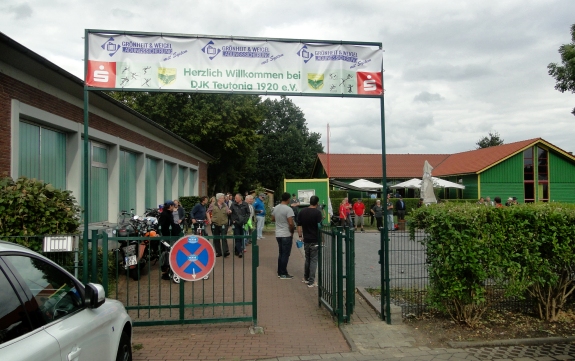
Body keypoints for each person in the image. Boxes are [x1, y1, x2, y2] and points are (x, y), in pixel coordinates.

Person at [297, 195, 323, 287]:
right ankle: (311, 281)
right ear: (317, 203)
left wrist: (300, 235)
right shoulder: (318, 213)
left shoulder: (302, 211)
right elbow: (320, 227)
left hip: (306, 238)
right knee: (313, 260)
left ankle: (306, 277)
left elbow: (299, 225)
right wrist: (322, 239)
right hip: (315, 239)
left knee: (307, 259)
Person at [272, 192, 295, 279]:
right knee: (286, 254)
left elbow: (273, 218)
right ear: (288, 199)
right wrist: (292, 231)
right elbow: (290, 223)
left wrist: (279, 221)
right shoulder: (288, 209)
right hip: (286, 233)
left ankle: (280, 271)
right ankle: (283, 273)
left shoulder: (276, 208)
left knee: (281, 253)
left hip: (278, 233)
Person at [207, 193, 230, 257]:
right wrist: (209, 220)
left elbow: (228, 211)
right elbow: (208, 212)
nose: (224, 199)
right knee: (216, 238)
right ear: (219, 199)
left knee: (224, 237)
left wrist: (229, 211)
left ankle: (225, 251)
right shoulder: (212, 205)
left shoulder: (225, 205)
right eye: (222, 198)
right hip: (215, 224)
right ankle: (218, 252)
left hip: (223, 223)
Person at [230, 193, 250, 258]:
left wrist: (245, 220)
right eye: (235, 198)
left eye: (236, 198)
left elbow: (248, 213)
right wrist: (233, 220)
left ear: (240, 198)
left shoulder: (245, 204)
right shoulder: (233, 205)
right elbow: (231, 213)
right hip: (236, 223)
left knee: (241, 237)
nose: (235, 199)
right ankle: (239, 252)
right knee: (237, 237)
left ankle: (237, 250)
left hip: (243, 223)